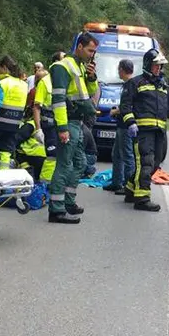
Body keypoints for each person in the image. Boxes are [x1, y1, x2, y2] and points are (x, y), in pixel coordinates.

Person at [119, 49, 169, 212]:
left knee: (155, 163)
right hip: (142, 131)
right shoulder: (135, 83)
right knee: (145, 162)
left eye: (160, 66)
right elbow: (125, 106)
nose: (158, 69)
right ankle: (142, 199)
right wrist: (131, 122)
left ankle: (130, 189)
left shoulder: (163, 86)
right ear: (148, 64)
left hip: (159, 131)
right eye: (156, 65)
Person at [47, 33, 99, 224]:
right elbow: (58, 100)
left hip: (77, 122)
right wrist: (62, 128)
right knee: (65, 164)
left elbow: (89, 93)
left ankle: (68, 202)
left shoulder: (81, 67)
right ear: (79, 47)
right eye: (90, 50)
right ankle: (56, 210)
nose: (92, 55)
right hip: (67, 121)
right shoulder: (62, 67)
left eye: (94, 51)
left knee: (80, 163)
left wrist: (91, 77)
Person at [31, 52, 66, 183]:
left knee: (60, 157)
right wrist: (38, 129)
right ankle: (44, 185)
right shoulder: (45, 82)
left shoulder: (63, 81)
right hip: (49, 125)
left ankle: (53, 184)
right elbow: (36, 107)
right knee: (52, 155)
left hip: (61, 125)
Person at [103, 59, 136, 194]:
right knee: (116, 154)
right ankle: (117, 182)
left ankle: (128, 186)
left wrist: (115, 111)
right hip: (121, 124)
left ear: (122, 69)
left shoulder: (131, 85)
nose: (118, 71)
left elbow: (127, 106)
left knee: (127, 155)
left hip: (126, 126)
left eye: (118, 69)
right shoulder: (128, 84)